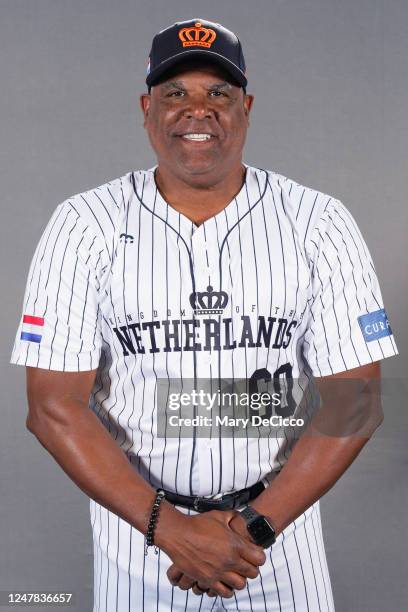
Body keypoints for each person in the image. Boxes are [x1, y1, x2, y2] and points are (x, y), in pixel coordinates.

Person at [11, 17, 398, 612]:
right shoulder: (85, 225)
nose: (198, 109)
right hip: (138, 536)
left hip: (277, 534)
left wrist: (252, 530)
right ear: (147, 108)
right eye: (175, 93)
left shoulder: (318, 222)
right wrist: (172, 531)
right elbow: (52, 407)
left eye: (218, 92)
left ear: (247, 106)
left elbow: (355, 400)